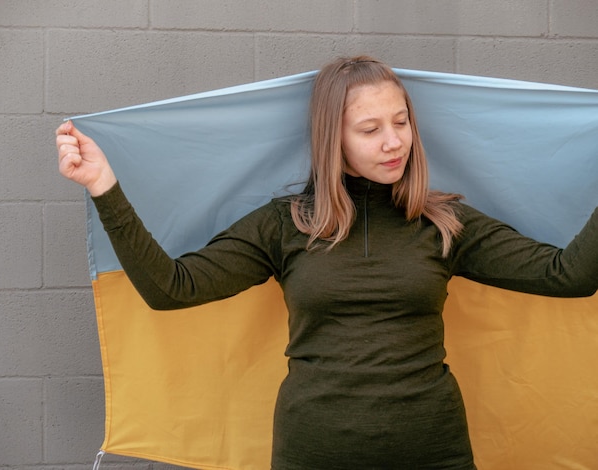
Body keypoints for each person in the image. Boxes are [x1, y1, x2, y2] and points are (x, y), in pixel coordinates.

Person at [56, 56, 598, 469]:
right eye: (370, 130)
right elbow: (170, 289)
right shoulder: (284, 223)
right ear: (331, 138)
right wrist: (104, 188)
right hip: (312, 451)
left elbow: (569, 275)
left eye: (402, 122)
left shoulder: (445, 222)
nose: (394, 143)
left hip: (434, 450)